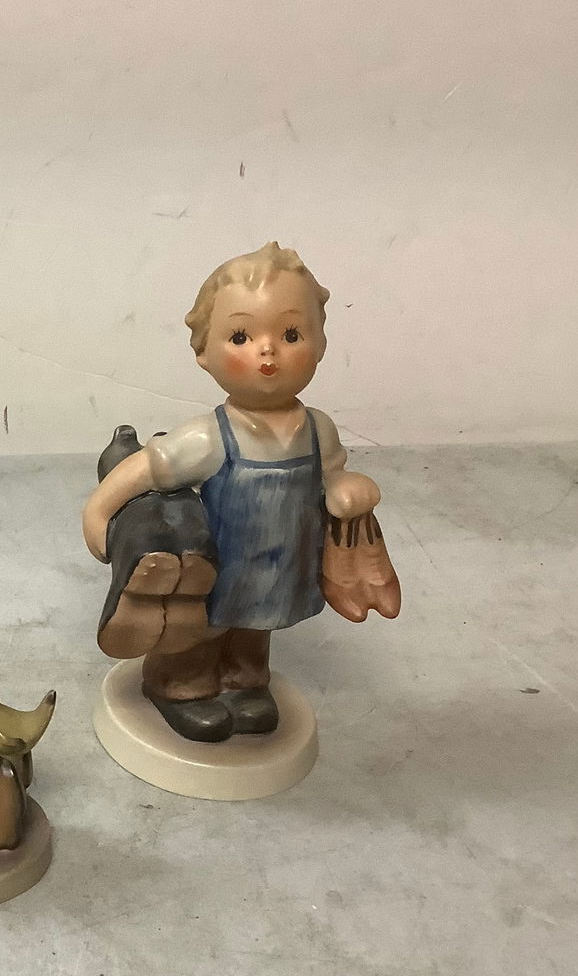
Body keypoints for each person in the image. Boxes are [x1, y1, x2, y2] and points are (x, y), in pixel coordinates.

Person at [82, 243, 381, 742]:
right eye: (241, 336)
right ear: (204, 352)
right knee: (199, 629)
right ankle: (179, 684)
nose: (268, 351)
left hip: (282, 567)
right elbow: (148, 467)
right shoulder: (210, 436)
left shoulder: (318, 429)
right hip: (221, 567)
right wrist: (99, 510)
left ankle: (246, 682)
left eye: (290, 334)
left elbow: (333, 474)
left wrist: (346, 488)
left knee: (255, 630)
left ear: (320, 343)